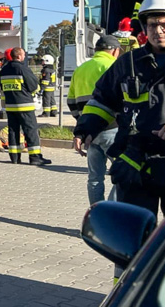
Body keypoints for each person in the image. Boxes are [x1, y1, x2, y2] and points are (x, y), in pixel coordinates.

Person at [74, 0, 165, 218]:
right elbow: (103, 99)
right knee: (136, 237)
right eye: (151, 25)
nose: (157, 31)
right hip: (135, 165)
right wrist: (85, 128)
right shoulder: (128, 63)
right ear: (144, 27)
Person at [69, 35, 122, 204]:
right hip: (111, 128)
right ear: (114, 50)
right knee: (122, 174)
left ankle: (95, 215)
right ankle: (110, 214)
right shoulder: (114, 66)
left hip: (89, 132)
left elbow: (71, 100)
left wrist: (83, 125)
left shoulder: (81, 68)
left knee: (94, 178)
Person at [0, 47, 52, 165]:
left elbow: (1, 87)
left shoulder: (3, 70)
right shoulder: (23, 69)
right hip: (24, 105)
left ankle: (14, 157)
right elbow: (33, 86)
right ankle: (35, 157)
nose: (24, 57)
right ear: (18, 56)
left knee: (13, 131)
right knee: (30, 130)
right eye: (23, 55)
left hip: (10, 106)